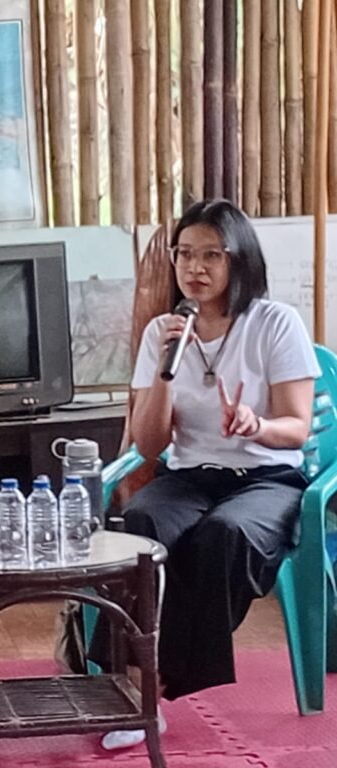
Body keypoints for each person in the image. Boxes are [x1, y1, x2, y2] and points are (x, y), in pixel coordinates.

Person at [96, 199, 319, 750]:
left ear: (239, 260)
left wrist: (255, 424)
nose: (194, 268)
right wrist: (166, 369)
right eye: (185, 254)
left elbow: (296, 429)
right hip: (191, 475)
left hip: (267, 478)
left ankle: (147, 687)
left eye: (211, 255)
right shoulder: (162, 332)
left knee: (226, 533)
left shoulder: (275, 323)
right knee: (142, 523)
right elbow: (150, 446)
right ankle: (137, 685)